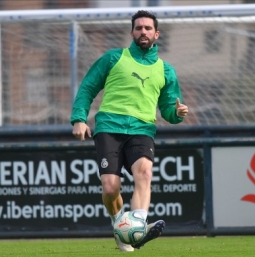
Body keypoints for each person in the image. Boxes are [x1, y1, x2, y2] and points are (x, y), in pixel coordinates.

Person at [70, 10, 188, 252]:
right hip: (108, 128)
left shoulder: (166, 70)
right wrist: (79, 119)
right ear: (132, 32)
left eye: (147, 28)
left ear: (156, 34)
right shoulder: (114, 58)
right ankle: (120, 226)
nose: (142, 32)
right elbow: (87, 87)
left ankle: (137, 229)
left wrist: (176, 114)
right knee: (111, 188)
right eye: (138, 28)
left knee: (144, 172)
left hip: (142, 129)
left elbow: (167, 108)